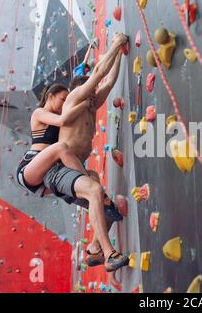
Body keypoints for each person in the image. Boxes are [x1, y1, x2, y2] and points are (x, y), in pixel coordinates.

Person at [43, 32, 129, 272]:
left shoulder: (91, 105)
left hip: (73, 171)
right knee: (95, 190)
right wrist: (115, 43)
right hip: (62, 169)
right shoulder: (73, 98)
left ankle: (93, 250)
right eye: (89, 87)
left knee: (108, 207)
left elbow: (109, 82)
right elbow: (100, 73)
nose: (94, 91)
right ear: (80, 88)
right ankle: (110, 254)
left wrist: (121, 55)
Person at [16, 84, 92, 196]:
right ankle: (89, 184)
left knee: (88, 191)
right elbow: (62, 120)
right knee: (61, 148)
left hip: (50, 172)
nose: (64, 104)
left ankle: (107, 208)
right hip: (31, 166)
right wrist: (83, 104)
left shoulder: (62, 117)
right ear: (50, 96)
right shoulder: (39, 112)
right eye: (62, 99)